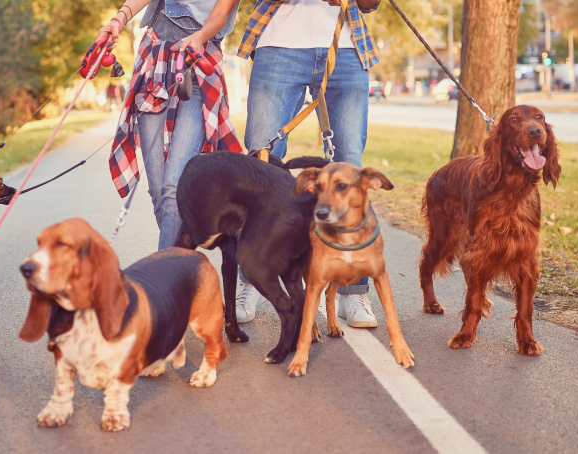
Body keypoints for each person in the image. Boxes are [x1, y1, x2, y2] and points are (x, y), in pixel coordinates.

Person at [232, 0, 383, 328]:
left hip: (345, 46)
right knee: (262, 166)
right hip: (279, 46)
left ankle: (351, 290)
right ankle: (250, 281)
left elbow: (371, 3)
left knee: (350, 169)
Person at [102, 0, 244, 250]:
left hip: (198, 63)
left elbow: (221, 13)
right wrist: (119, 19)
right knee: (158, 190)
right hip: (154, 62)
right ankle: (181, 260)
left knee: (173, 187)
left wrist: (199, 36)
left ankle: (166, 280)